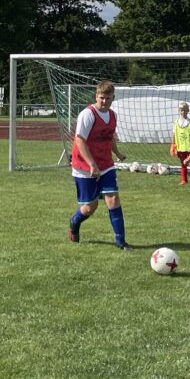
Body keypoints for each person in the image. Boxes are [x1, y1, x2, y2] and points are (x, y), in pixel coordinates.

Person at [68, 79, 132, 250]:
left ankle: (121, 241)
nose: (104, 102)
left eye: (108, 98)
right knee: (90, 207)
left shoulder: (112, 115)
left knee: (113, 199)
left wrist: (117, 153)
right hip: (84, 166)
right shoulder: (87, 114)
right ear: (96, 96)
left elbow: (109, 136)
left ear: (113, 98)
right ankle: (74, 222)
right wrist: (92, 164)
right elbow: (80, 140)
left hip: (106, 164)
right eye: (101, 97)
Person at [171, 101, 190, 185]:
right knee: (182, 163)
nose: (183, 112)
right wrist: (173, 144)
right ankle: (184, 180)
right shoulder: (176, 122)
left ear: (188, 110)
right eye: (181, 110)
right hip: (180, 147)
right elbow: (174, 133)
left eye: (184, 110)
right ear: (179, 111)